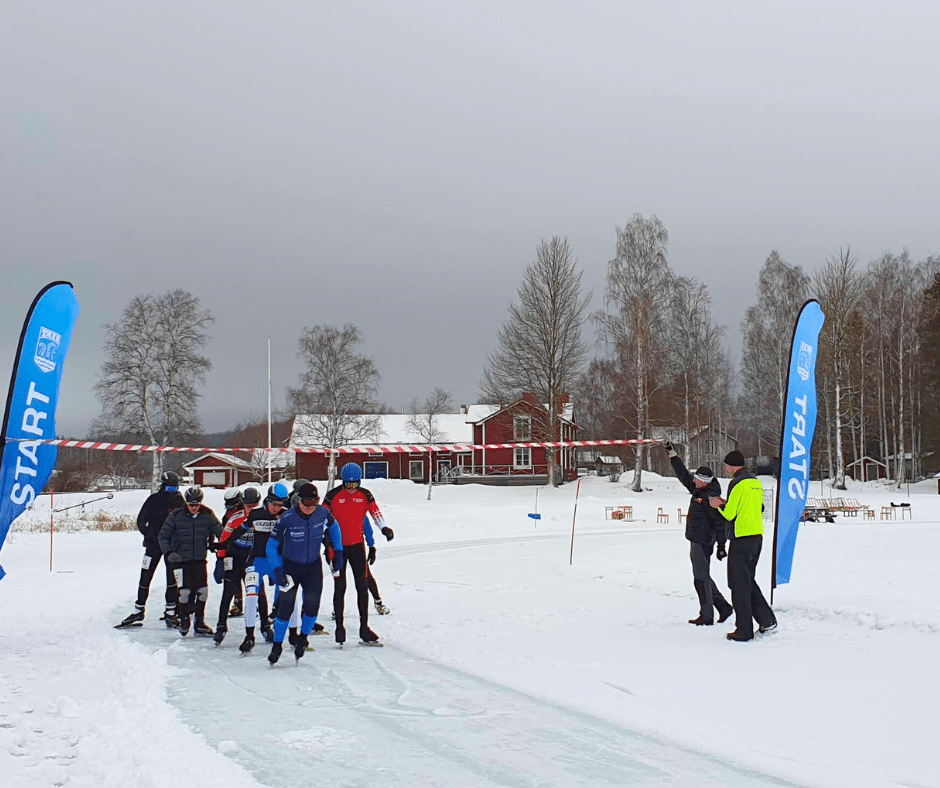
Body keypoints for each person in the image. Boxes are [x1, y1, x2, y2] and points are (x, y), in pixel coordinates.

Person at [265, 483, 343, 664]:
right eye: (306, 505)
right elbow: (270, 545)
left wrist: (338, 551)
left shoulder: (322, 512)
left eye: (313, 505)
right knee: (285, 608)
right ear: (298, 501)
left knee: (312, 606)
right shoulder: (287, 517)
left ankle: (302, 638)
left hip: (312, 567)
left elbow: (335, 528)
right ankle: (277, 645)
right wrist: (277, 569)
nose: (309, 509)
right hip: (290, 567)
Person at [709, 450, 778, 642]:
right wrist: (728, 503)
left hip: (741, 538)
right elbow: (758, 507)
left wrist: (718, 504)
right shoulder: (755, 482)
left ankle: (743, 629)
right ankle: (766, 619)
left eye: (726, 466)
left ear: (731, 466)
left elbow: (730, 514)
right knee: (747, 581)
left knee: (737, 584)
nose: (727, 469)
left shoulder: (736, 483)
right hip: (756, 537)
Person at [663, 441, 733, 627]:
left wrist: (720, 546)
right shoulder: (698, 489)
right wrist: (673, 455)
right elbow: (683, 475)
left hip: (703, 542)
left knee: (700, 578)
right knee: (703, 575)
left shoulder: (710, 498)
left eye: (697, 479)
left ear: (704, 482)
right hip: (695, 539)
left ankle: (707, 615)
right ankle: (723, 607)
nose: (693, 481)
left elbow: (720, 523)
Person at [322, 463, 392, 645]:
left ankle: (364, 627)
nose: (352, 489)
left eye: (355, 484)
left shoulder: (365, 495)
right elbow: (321, 520)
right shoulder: (332, 496)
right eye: (348, 485)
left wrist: (384, 528)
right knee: (340, 586)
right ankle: (339, 626)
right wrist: (325, 542)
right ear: (342, 482)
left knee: (362, 586)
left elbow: (375, 512)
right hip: (337, 548)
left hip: (357, 547)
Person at [115, 471, 185, 629]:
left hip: (172, 547)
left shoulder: (180, 501)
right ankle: (138, 610)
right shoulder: (153, 499)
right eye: (170, 489)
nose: (173, 492)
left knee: (172, 579)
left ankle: (170, 612)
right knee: (145, 576)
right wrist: (149, 534)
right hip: (153, 545)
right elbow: (141, 520)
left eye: (175, 488)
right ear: (164, 486)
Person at [158, 485, 223, 637]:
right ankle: (184, 618)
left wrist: (223, 545)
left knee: (203, 592)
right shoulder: (175, 515)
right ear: (186, 503)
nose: (194, 508)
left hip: (199, 559)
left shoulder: (208, 514)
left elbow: (220, 531)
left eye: (197, 505)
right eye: (191, 505)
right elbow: (163, 536)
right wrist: (169, 552)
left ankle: (199, 622)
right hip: (181, 560)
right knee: (185, 592)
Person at [212, 488, 259, 645]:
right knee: (229, 588)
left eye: (234, 506)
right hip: (234, 554)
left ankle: (265, 625)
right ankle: (221, 625)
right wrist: (220, 559)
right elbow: (224, 538)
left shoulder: (260, 515)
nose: (231, 509)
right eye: (228, 506)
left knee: (257, 590)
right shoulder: (232, 518)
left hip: (251, 556)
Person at [219, 487, 246, 617]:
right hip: (231, 552)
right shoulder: (227, 516)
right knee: (231, 578)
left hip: (246, 550)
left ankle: (255, 603)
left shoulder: (245, 513)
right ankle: (237, 603)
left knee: (248, 577)